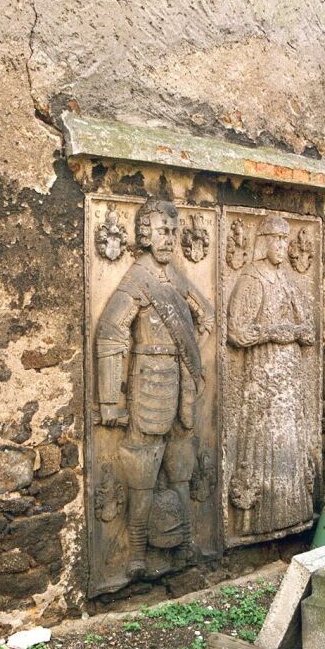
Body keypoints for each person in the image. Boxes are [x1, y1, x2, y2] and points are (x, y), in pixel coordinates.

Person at [96, 198, 214, 577]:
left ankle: (185, 542)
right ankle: (137, 553)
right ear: (145, 234)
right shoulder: (138, 280)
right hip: (149, 383)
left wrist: (192, 354)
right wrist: (110, 401)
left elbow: (206, 314)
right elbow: (111, 334)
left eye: (174, 232)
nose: (170, 239)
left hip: (182, 384)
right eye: (164, 231)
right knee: (142, 475)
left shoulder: (174, 277)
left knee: (180, 465)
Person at [227, 214, 315, 536]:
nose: (282, 245)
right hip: (263, 377)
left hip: (288, 378)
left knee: (289, 438)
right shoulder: (253, 278)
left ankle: (294, 514)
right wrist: (272, 332)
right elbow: (236, 331)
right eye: (277, 239)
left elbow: (308, 331)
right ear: (264, 242)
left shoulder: (288, 282)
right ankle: (261, 521)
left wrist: (296, 331)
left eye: (285, 239)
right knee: (265, 441)